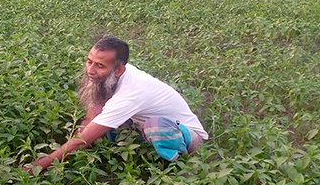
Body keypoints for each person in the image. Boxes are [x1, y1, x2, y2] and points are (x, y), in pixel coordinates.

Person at [25, 36, 208, 173]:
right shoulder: (112, 76)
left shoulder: (132, 92)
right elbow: (92, 117)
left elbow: (84, 140)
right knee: (107, 125)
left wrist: (41, 164)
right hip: (142, 126)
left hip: (188, 135)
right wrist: (79, 131)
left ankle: (176, 166)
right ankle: (142, 154)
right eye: (89, 61)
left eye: (100, 66)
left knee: (155, 126)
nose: (91, 70)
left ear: (119, 69)